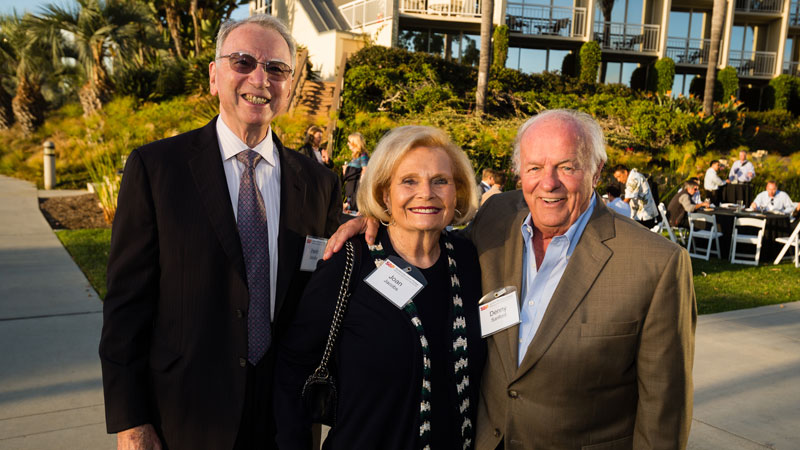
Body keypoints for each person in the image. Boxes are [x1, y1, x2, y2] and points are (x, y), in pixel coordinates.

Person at [324, 109, 696, 449]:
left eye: (567, 167)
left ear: (597, 170)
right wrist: (376, 220)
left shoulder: (657, 265)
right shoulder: (497, 218)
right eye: (534, 168)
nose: (547, 183)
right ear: (519, 172)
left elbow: (665, 410)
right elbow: (429, 235)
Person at [98, 15, 341, 450]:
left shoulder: (319, 183)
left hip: (284, 418)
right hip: (185, 415)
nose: (260, 79)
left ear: (289, 83)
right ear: (215, 76)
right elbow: (126, 307)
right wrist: (131, 421)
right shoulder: (157, 170)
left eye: (277, 68)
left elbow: (325, 295)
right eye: (243, 61)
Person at [274, 125, 486, 449]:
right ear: (385, 194)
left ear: (457, 191)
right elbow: (291, 368)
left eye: (440, 181)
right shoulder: (349, 262)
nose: (426, 193)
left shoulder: (471, 261)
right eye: (409, 181)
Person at [612, 164, 659, 229]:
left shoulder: (634, 178)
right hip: (641, 216)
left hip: (644, 217)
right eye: (617, 178)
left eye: (619, 176)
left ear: (625, 172)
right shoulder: (634, 176)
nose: (618, 180)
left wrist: (614, 209)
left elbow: (626, 201)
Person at [342, 132, 369, 212]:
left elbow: (365, 170)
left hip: (356, 189)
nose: (347, 144)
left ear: (355, 143)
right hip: (350, 189)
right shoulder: (355, 157)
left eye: (349, 142)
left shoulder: (363, 155)